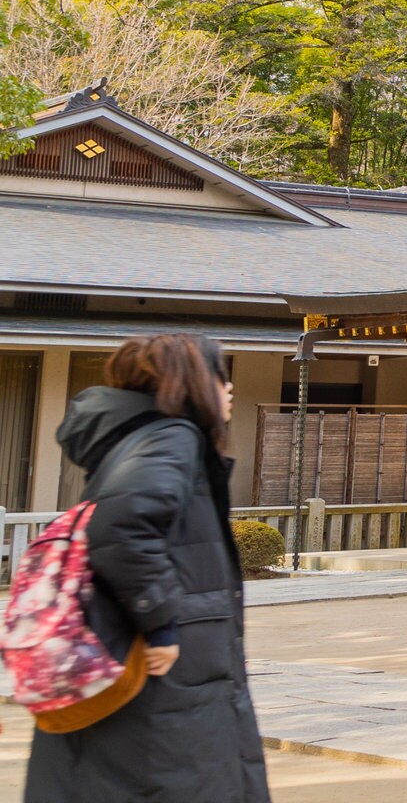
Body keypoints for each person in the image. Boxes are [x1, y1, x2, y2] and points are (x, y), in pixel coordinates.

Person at [26, 334, 270, 801]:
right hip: (169, 678)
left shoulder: (135, 438)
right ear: (191, 383)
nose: (230, 388)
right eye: (220, 376)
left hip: (154, 670)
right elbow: (122, 526)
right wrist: (160, 622)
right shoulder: (171, 437)